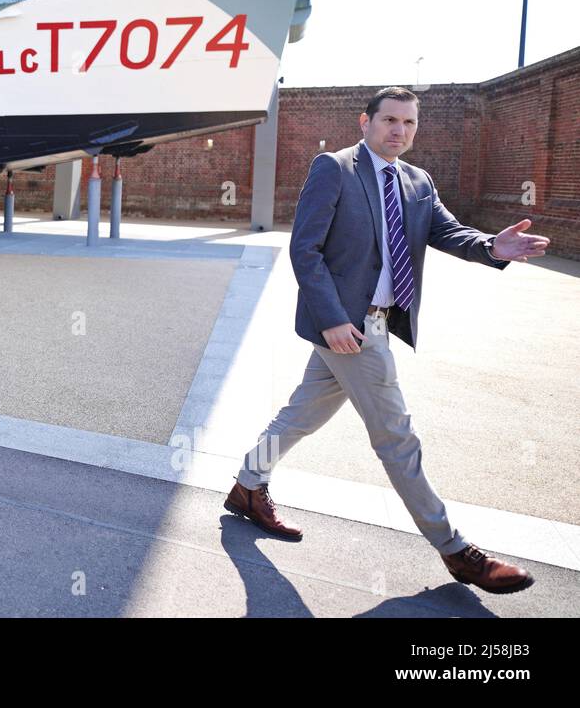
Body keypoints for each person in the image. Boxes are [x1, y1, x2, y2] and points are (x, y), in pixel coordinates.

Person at [227, 87, 550, 595]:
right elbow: (305, 249)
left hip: (378, 322)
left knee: (302, 415)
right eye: (390, 120)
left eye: (409, 123)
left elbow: (449, 232)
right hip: (349, 329)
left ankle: (248, 486)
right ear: (365, 121)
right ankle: (457, 550)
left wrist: (492, 245)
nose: (399, 131)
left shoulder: (417, 181)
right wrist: (332, 319)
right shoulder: (334, 168)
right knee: (398, 439)